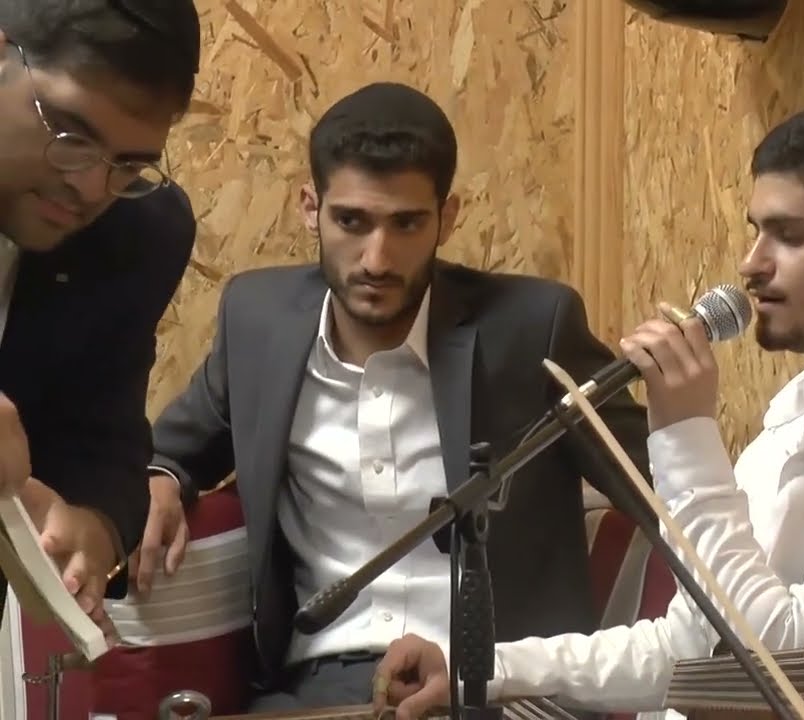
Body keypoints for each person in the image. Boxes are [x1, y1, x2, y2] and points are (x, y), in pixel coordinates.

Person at [370, 94, 804, 720]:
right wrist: (482, 670)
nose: (751, 264)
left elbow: (785, 669)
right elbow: (686, 646)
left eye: (790, 236)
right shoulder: (791, 420)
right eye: (756, 230)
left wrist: (687, 439)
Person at [139, 81, 653, 710]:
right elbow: (176, 447)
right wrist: (161, 477)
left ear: (447, 217)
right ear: (310, 208)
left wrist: (686, 418)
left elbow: (657, 489)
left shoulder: (531, 328)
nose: (377, 259)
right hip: (323, 688)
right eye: (351, 221)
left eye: (406, 224)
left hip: (498, 684)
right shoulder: (258, 321)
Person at [0, 0, 199, 626]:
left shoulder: (141, 230)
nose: (91, 187)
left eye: (131, 163)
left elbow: (106, 436)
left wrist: (92, 528)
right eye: (69, 133)